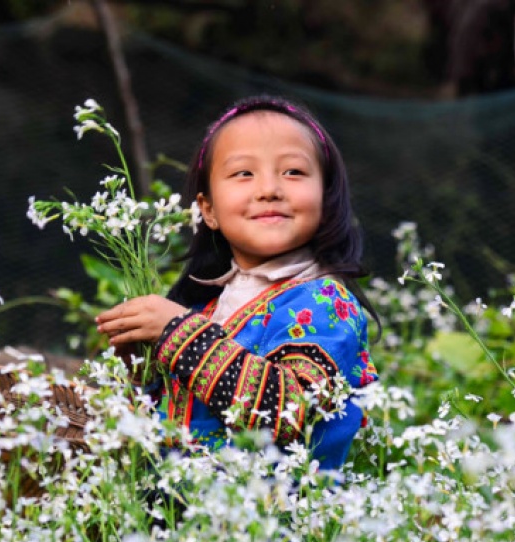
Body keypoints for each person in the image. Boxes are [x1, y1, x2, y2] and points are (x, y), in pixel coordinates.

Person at [95, 96, 379, 471]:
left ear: (325, 200)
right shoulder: (206, 308)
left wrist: (177, 334)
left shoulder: (326, 303)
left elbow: (289, 414)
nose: (269, 189)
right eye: (244, 173)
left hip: (276, 520)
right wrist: (140, 371)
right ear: (208, 210)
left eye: (293, 172)